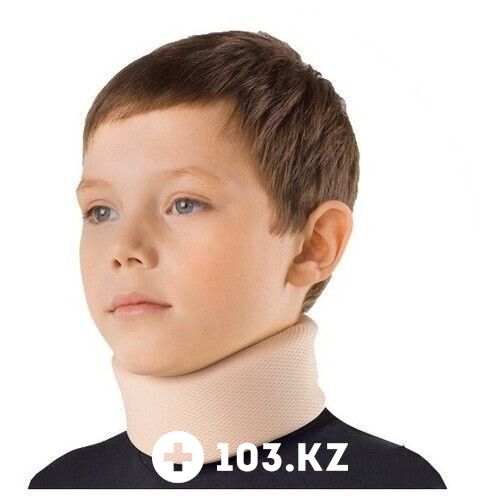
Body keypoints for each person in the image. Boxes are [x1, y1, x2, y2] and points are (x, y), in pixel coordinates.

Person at [28, 30, 445, 489]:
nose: (124, 249)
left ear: (314, 244)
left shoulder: (392, 486)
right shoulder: (59, 486)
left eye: (184, 204)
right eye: (101, 211)